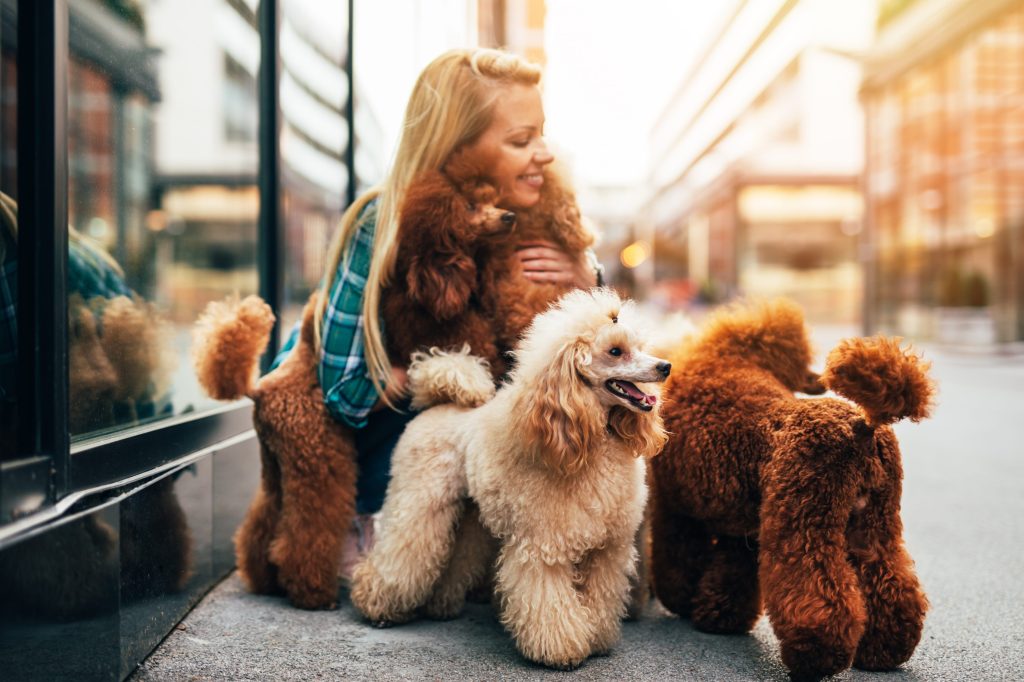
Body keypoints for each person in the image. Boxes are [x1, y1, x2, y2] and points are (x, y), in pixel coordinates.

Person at [273, 48, 600, 574]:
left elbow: (601, 360)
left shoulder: (535, 218)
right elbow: (342, 388)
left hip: (485, 472)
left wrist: (587, 281)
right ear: (458, 148)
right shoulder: (383, 223)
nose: (544, 153)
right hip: (392, 465)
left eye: (542, 133)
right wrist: (443, 378)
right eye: (521, 140)